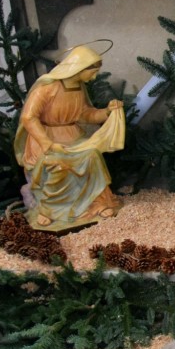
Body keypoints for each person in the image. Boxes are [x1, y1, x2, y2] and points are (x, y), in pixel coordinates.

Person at [14, 44, 124, 231]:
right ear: (79, 68)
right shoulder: (47, 87)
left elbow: (84, 114)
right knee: (57, 162)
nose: (95, 76)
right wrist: (47, 143)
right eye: (93, 71)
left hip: (72, 135)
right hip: (45, 138)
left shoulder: (78, 88)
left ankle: (99, 203)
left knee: (92, 156)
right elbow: (28, 117)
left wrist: (107, 111)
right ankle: (49, 210)